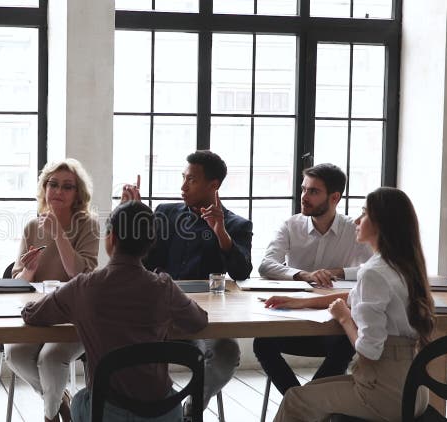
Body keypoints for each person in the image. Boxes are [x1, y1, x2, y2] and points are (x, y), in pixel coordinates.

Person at [21, 200, 209, 422]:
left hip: (108, 411)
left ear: (111, 238)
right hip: (163, 411)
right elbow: (198, 321)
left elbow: (33, 315)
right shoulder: (163, 287)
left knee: (80, 399)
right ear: (151, 242)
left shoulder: (84, 287)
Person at [269, 187, 434, 422]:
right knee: (303, 394)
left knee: (297, 399)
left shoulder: (374, 273)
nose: (356, 220)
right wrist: (298, 302)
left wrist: (344, 317)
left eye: (364, 213)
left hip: (383, 393)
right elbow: (354, 296)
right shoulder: (403, 266)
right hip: (414, 391)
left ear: (381, 224)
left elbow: (369, 349)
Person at [121, 150, 249, 406]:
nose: (182, 186)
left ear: (214, 185)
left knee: (227, 352)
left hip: (206, 318)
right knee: (118, 340)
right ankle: (147, 410)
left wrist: (221, 234)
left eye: (191, 180)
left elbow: (241, 272)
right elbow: (141, 261)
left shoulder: (236, 225)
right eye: (183, 178)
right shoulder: (165, 214)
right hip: (158, 311)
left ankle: (192, 408)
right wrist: (135, 214)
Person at [254, 163, 373, 395]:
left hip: (332, 321)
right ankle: (302, 402)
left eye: (313, 191)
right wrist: (303, 275)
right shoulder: (291, 225)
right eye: (303, 189)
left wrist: (340, 272)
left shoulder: (354, 228)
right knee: (262, 342)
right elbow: (266, 264)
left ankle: (302, 404)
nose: (304, 197)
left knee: (344, 344)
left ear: (335, 197)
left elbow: (375, 268)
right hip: (291, 318)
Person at [5, 158, 100, 422]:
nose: (58, 191)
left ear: (77, 193)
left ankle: (49, 417)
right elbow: (18, 278)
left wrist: (59, 233)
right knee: (15, 354)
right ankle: (59, 401)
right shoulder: (32, 227)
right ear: (44, 188)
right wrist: (29, 270)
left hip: (76, 316)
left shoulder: (88, 224)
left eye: (67, 187)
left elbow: (79, 274)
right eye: (53, 184)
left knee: (50, 358)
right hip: (39, 313)